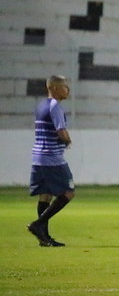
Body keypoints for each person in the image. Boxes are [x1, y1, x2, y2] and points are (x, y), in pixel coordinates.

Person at [26, 75, 75, 247]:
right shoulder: (55, 107)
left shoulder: (41, 105)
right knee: (68, 192)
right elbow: (61, 132)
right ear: (54, 88)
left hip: (38, 158)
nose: (67, 89)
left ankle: (44, 238)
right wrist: (68, 140)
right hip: (52, 159)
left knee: (45, 195)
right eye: (64, 86)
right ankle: (38, 225)